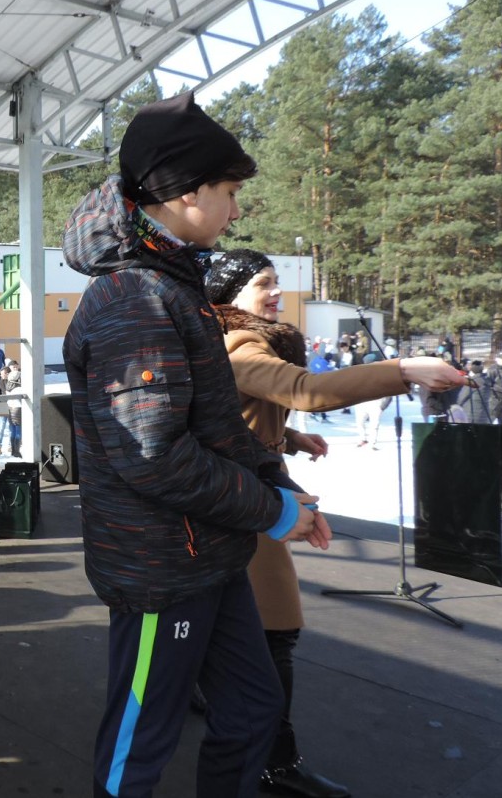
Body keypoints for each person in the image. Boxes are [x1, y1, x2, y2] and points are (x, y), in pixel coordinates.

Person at [62, 91, 330, 798]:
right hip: (162, 569)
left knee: (253, 709)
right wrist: (272, 510)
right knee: (139, 745)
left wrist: (279, 484)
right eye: (230, 192)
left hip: (208, 554)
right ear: (185, 193)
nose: (236, 211)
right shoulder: (134, 298)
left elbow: (215, 424)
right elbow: (154, 456)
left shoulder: (171, 283)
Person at [203, 248, 466, 798]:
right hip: (249, 507)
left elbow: (234, 416)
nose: (276, 291)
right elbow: (307, 390)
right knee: (277, 632)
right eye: (263, 283)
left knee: (235, 629)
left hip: (246, 495)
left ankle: (221, 709)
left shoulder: (226, 340)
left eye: (276, 281)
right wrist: (402, 370)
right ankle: (274, 763)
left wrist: (289, 438)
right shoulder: (241, 344)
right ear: (231, 296)